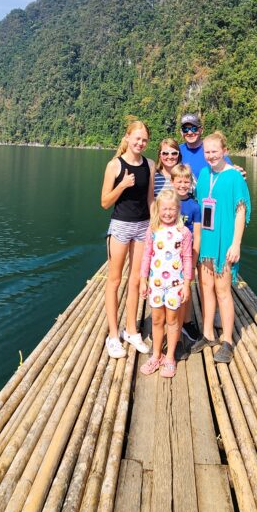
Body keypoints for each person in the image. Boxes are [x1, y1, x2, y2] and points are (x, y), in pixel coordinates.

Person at [192, 131, 251, 365]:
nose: (210, 156)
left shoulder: (235, 176)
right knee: (206, 287)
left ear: (225, 151)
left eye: (215, 151)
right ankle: (208, 334)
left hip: (225, 240)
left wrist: (236, 244)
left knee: (223, 291)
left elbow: (241, 211)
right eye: (207, 152)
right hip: (206, 239)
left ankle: (227, 340)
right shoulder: (204, 174)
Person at [101, 120, 155, 358]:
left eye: (144, 140)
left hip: (143, 227)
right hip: (121, 227)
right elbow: (104, 202)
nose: (140, 143)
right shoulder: (115, 165)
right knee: (114, 281)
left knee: (135, 280)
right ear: (127, 137)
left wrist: (154, 226)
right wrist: (122, 185)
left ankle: (131, 330)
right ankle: (113, 335)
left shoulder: (149, 165)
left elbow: (150, 198)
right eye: (137, 138)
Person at [138, 187, 193, 378]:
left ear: (178, 209)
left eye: (172, 209)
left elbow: (187, 258)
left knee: (172, 320)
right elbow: (146, 256)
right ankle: (156, 355)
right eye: (164, 209)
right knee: (157, 319)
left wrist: (187, 284)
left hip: (175, 285)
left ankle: (170, 357)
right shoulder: (153, 230)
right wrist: (143, 280)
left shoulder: (183, 232)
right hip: (156, 283)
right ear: (158, 209)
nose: (168, 213)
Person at [170, 162, 201, 345]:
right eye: (179, 181)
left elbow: (197, 235)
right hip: (168, 257)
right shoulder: (166, 202)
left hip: (186, 256)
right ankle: (169, 323)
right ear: (172, 182)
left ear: (190, 183)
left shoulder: (195, 206)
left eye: (186, 182)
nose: (182, 185)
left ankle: (186, 322)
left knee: (185, 289)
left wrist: (194, 262)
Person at [178, 113, 235, 179]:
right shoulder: (176, 151)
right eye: (185, 129)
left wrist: (237, 172)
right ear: (181, 132)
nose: (190, 132)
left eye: (194, 128)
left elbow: (229, 170)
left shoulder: (212, 149)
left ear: (201, 130)